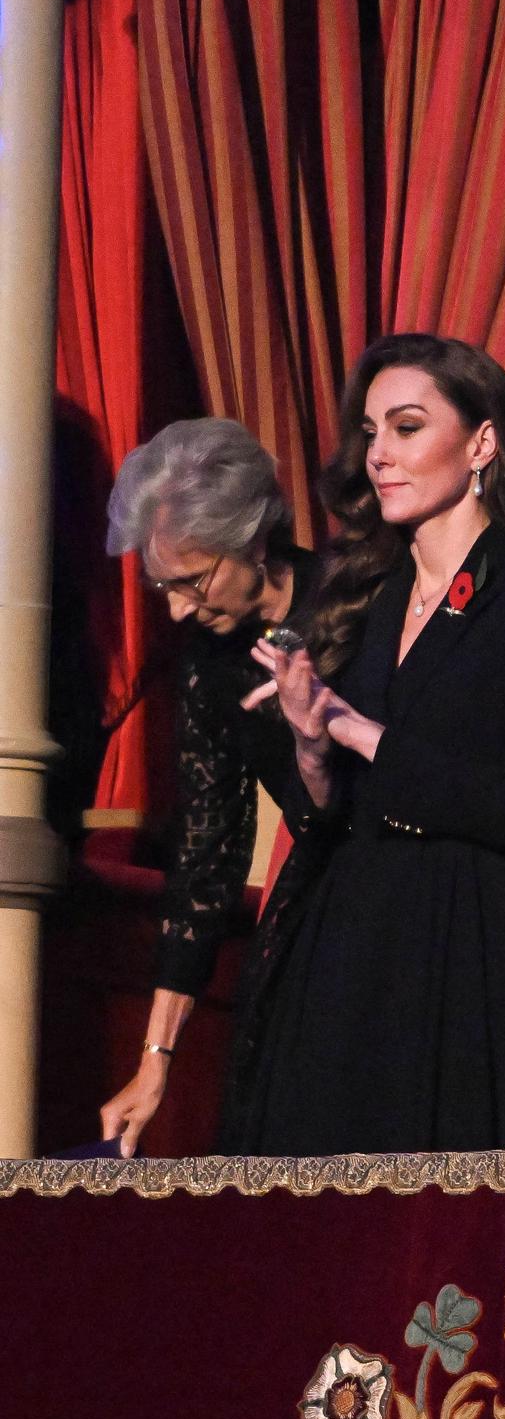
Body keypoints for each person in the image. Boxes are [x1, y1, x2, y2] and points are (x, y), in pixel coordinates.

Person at [238, 335, 505, 1153]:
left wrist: (360, 731)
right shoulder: (360, 593)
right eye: (371, 433)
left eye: (405, 427)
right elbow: (320, 816)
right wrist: (309, 746)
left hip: (464, 938)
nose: (379, 456)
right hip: (347, 932)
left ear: (481, 444)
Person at [96, 420, 321, 1153]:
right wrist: (154, 1062)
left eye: (191, 581)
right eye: (162, 586)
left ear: (255, 541)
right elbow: (205, 865)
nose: (178, 609)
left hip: (411, 908)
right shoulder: (209, 666)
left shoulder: (362, 603)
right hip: (308, 918)